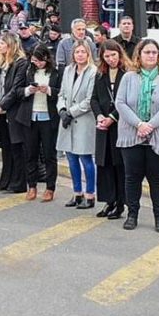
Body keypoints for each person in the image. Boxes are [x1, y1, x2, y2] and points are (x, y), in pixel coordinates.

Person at [115, 39, 159, 233]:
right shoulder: (129, 77)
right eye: (147, 52)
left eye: (154, 52)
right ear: (139, 55)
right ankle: (132, 214)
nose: (151, 55)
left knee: (156, 178)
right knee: (132, 177)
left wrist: (150, 125)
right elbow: (121, 103)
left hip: (158, 134)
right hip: (132, 133)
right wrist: (139, 124)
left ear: (158, 56)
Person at [91, 39, 131, 219]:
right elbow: (94, 99)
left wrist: (112, 117)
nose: (110, 59)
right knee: (105, 164)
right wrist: (99, 116)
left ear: (119, 54)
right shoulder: (100, 74)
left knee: (119, 166)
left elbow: (128, 100)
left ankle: (121, 203)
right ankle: (109, 200)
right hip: (103, 126)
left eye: (113, 55)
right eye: (107, 56)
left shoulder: (128, 73)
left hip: (120, 125)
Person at [15, 45, 61, 202]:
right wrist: (28, 90)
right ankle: (32, 186)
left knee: (49, 154)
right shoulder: (28, 70)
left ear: (46, 58)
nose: (37, 63)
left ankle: (50, 188)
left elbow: (61, 92)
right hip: (30, 117)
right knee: (30, 153)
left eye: (40, 61)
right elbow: (18, 90)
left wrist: (48, 90)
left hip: (48, 117)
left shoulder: (56, 72)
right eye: (34, 60)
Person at [56, 38, 98, 209]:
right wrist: (62, 110)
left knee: (85, 158)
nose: (80, 55)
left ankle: (90, 194)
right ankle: (77, 193)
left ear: (88, 53)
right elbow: (62, 94)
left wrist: (71, 112)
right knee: (71, 158)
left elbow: (89, 100)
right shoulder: (68, 70)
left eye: (83, 52)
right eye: (77, 52)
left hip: (83, 120)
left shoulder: (93, 72)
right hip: (67, 120)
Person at [0, 32, 29, 194]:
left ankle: (18, 182)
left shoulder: (21, 63)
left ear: (11, 45)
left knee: (16, 147)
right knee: (5, 147)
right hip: (0, 110)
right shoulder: (0, 62)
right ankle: (5, 181)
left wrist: (2, 106)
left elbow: (15, 89)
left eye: (3, 43)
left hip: (13, 111)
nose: (0, 46)